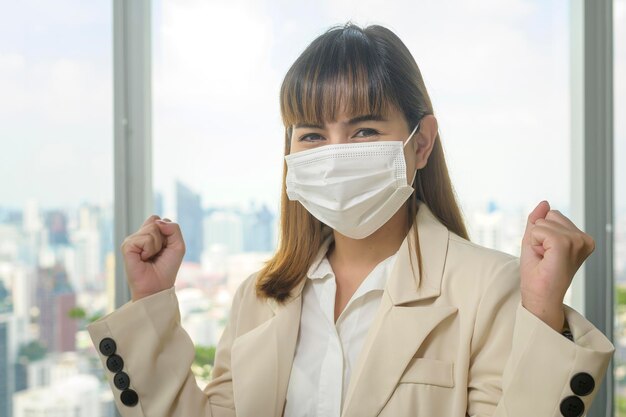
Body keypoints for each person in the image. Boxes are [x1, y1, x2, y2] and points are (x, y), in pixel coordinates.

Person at [88, 23, 614, 417]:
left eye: (363, 131)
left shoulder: (489, 287)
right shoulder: (259, 298)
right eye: (312, 135)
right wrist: (150, 305)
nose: (335, 153)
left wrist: (543, 314)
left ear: (421, 143)